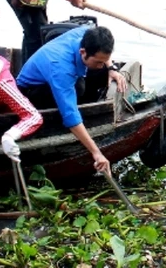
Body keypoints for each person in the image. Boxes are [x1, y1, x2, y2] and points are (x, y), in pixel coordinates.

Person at [15, 25, 127, 174]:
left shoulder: (86, 33)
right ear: (83, 52)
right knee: (73, 99)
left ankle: (78, 108)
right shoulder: (61, 69)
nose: (101, 65)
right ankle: (73, 124)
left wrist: (111, 68)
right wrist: (96, 152)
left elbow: (102, 50)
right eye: (98, 61)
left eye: (103, 61)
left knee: (97, 76)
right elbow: (70, 116)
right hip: (32, 91)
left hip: (55, 73)